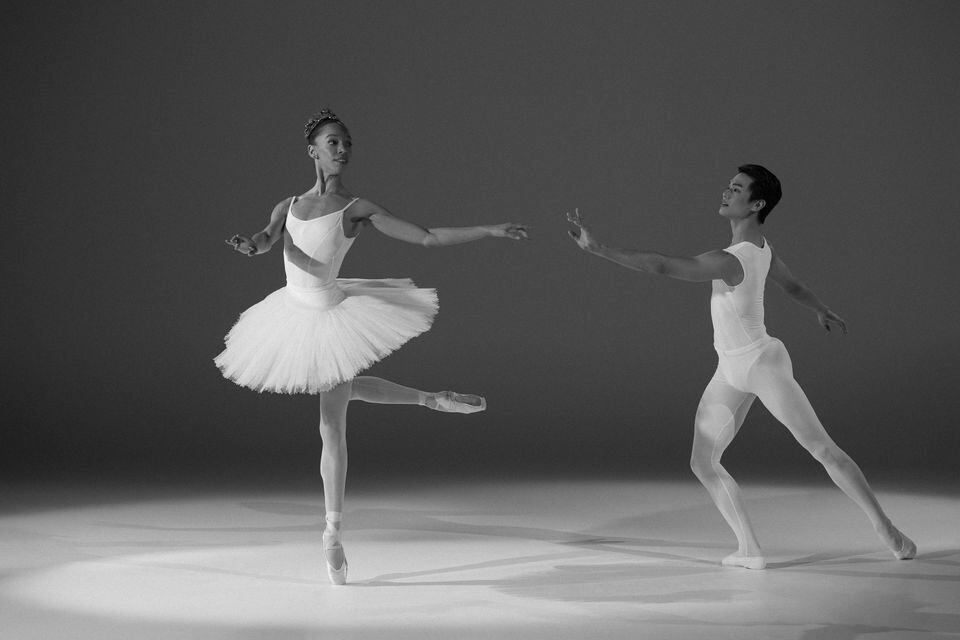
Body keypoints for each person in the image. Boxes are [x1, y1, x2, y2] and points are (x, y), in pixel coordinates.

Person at [216, 108, 528, 585]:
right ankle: (431, 399)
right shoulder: (288, 205)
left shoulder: (355, 208)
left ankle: (332, 535)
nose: (343, 150)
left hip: (329, 314)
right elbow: (265, 240)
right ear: (313, 151)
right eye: (334, 143)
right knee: (344, 394)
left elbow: (426, 238)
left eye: (347, 143)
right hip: (291, 310)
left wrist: (487, 229)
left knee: (331, 421)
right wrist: (250, 246)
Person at [566, 164, 914, 569]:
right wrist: (820, 308)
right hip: (729, 369)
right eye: (729, 186)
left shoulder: (732, 259)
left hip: (762, 363)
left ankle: (886, 528)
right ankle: (749, 549)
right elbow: (792, 284)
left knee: (822, 448)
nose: (726, 192)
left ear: (757, 204)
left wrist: (599, 249)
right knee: (702, 462)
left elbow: (661, 265)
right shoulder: (762, 249)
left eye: (736, 189)